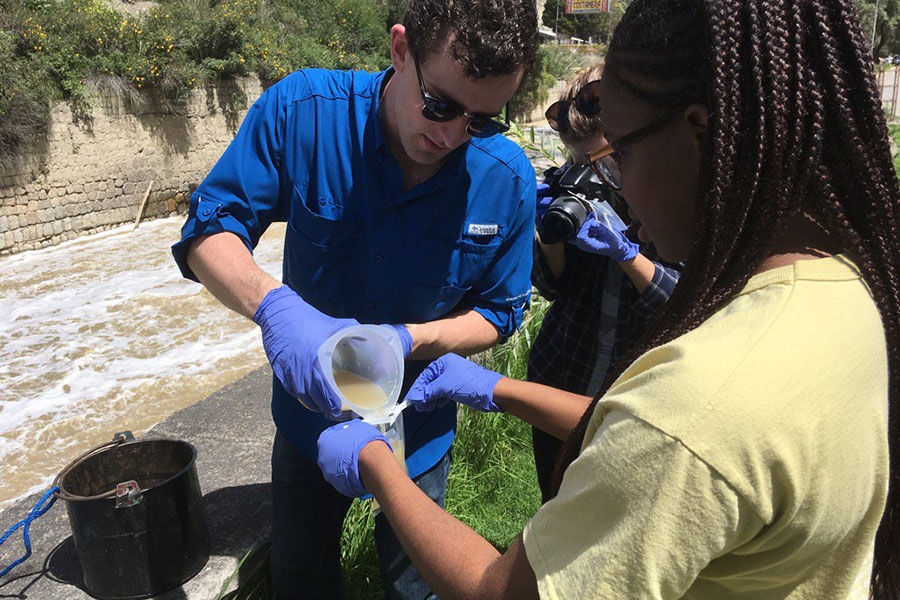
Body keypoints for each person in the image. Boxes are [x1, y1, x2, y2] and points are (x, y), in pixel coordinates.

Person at [314, 0, 900, 597]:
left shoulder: (697, 409)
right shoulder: (853, 285)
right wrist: (496, 387)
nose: (613, 181)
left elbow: (499, 590)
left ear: (699, 133)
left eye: (619, 152)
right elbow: (637, 430)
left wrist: (378, 467)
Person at [170, 1, 539, 597]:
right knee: (301, 576)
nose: (450, 135)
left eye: (480, 121)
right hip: (308, 423)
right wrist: (272, 305)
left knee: (413, 583)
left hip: (417, 428)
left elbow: (501, 311)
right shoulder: (302, 112)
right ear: (400, 49)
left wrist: (413, 340)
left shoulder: (509, 180)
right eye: (440, 104)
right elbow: (209, 228)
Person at [529, 64, 680, 502]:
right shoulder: (584, 193)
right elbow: (552, 288)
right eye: (578, 164)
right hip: (562, 375)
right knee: (554, 501)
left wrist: (627, 254)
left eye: (602, 163)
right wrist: (549, 232)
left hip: (634, 398)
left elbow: (683, 305)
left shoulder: (676, 203)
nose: (593, 180)